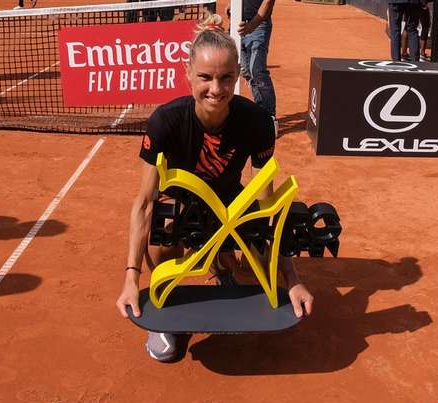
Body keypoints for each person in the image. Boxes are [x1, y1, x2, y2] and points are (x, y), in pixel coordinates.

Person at [115, 18, 313, 363]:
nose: (216, 89)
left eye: (225, 78)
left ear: (238, 75)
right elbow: (145, 203)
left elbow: (266, 203)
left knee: (255, 264)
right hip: (179, 207)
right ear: (187, 73)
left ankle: (221, 266)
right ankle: (166, 310)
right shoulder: (165, 121)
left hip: (228, 204)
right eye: (205, 77)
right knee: (163, 230)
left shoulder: (257, 122)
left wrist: (290, 278)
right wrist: (132, 278)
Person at [238, 0, 277, 130]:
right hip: (239, 25)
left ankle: (269, 117)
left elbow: (268, 1)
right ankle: (261, 111)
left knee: (257, 71)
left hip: (258, 26)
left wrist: (252, 26)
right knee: (246, 71)